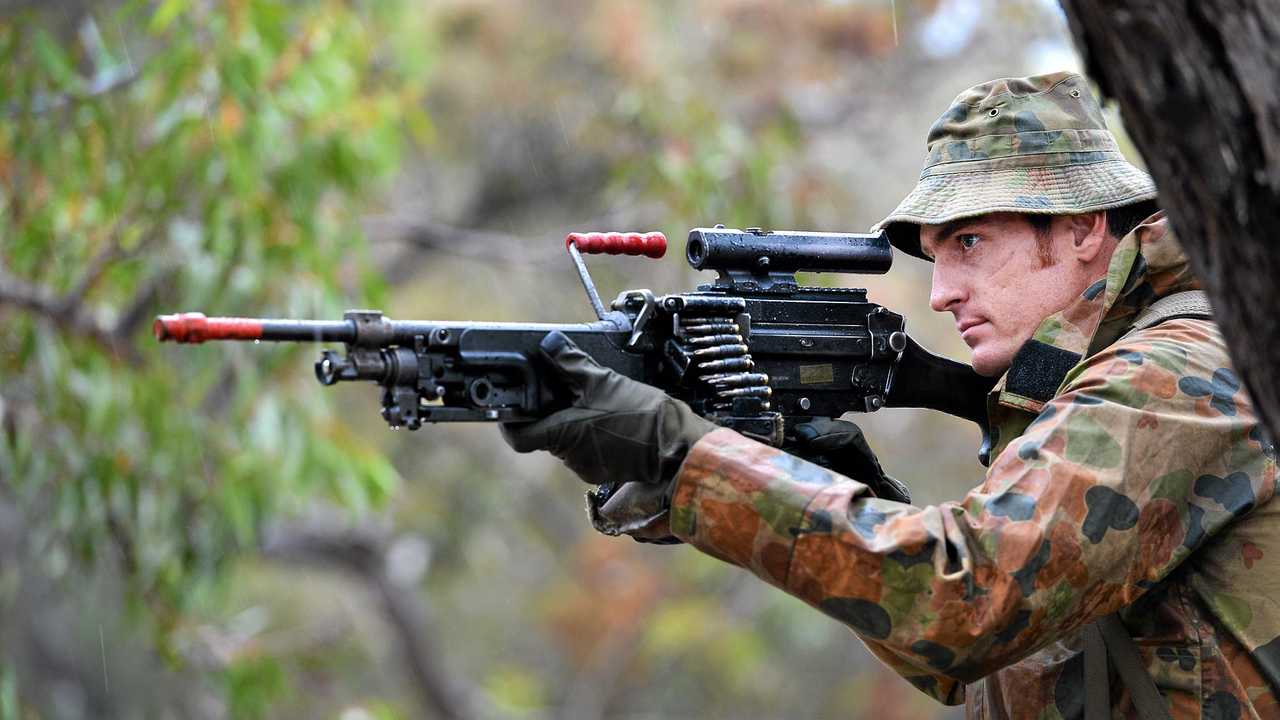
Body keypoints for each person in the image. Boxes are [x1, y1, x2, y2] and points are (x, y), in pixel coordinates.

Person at [503, 72, 1278, 718]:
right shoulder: (1092, 378)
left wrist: (681, 455)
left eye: (969, 243)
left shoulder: (1180, 369)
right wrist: (849, 492)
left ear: (1081, 229)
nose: (941, 293)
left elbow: (967, 604)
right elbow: (979, 662)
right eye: (937, 255)